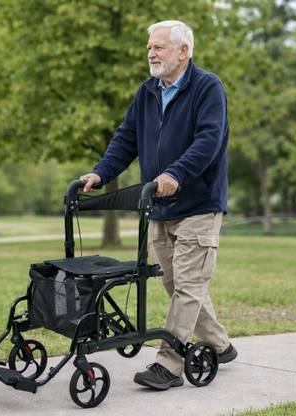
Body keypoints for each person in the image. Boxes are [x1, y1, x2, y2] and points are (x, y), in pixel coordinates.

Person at [80, 20, 237, 391]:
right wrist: (100, 173)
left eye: (159, 47)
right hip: (159, 206)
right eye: (149, 47)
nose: (151, 53)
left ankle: (169, 364)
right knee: (176, 283)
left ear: (183, 51)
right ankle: (219, 344)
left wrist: (176, 173)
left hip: (199, 203)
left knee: (187, 286)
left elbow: (208, 140)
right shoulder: (148, 91)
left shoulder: (208, 87)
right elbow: (125, 139)